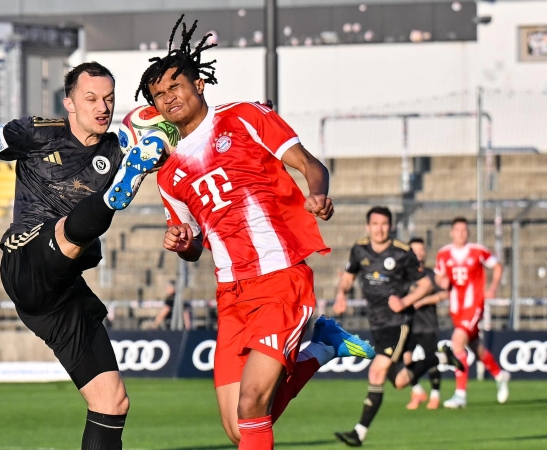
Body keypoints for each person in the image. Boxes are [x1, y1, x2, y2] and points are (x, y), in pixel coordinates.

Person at [137, 16, 376, 450]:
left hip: (280, 279)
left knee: (251, 406)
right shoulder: (168, 176)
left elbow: (310, 164)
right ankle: (322, 347)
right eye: (159, 95)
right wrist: (183, 243)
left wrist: (317, 194)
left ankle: (318, 342)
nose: (169, 97)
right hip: (230, 294)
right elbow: (192, 247)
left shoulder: (244, 117)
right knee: (238, 428)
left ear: (199, 85)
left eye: (176, 86)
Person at [0, 62, 164, 450]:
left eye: (109, 99)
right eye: (91, 98)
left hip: (60, 292)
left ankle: (110, 200)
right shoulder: (37, 133)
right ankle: (114, 197)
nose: (103, 107)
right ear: (70, 103)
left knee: (112, 401)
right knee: (65, 233)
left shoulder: (119, 148)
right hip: (24, 257)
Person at [332, 206, 463, 447]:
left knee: (376, 372)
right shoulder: (359, 248)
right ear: (368, 226)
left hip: (398, 324)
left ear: (390, 226)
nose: (379, 229)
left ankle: (358, 433)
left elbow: (426, 285)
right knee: (401, 382)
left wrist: (404, 301)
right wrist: (341, 294)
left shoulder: (402, 253)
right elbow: (348, 277)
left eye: (384, 224)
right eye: (375, 224)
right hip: (377, 324)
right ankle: (441, 358)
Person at [435, 216, 510, 409]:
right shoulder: (443, 254)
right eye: (458, 230)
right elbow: (439, 276)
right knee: (476, 347)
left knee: (457, 342)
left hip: (474, 304)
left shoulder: (478, 251)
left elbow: (498, 265)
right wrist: (441, 282)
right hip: (456, 308)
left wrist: (493, 287)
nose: (461, 233)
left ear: (468, 232)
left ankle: (460, 394)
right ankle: (500, 375)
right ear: (451, 232)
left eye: (464, 230)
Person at [403, 237, 449, 410]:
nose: (419, 253)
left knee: (431, 360)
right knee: (405, 359)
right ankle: (417, 391)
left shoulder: (430, 275)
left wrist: (426, 299)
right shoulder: (404, 275)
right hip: (409, 325)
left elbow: (446, 294)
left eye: (422, 250)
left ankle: (435, 395)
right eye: (416, 250)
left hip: (428, 324)